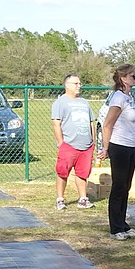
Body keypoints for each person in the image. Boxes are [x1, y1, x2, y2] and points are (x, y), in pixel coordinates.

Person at [99, 63, 135, 239]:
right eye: (133, 76)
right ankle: (115, 228)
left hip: (131, 146)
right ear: (123, 78)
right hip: (119, 147)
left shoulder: (128, 97)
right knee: (118, 187)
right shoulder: (118, 98)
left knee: (126, 186)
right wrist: (106, 147)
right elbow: (107, 124)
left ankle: (123, 225)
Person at [51, 74, 97, 210]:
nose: (79, 86)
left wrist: (93, 142)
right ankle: (60, 199)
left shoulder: (84, 102)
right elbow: (56, 123)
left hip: (86, 145)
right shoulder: (60, 102)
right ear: (67, 85)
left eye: (80, 83)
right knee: (62, 172)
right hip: (69, 144)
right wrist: (61, 143)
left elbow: (91, 123)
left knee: (83, 173)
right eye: (76, 83)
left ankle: (83, 198)